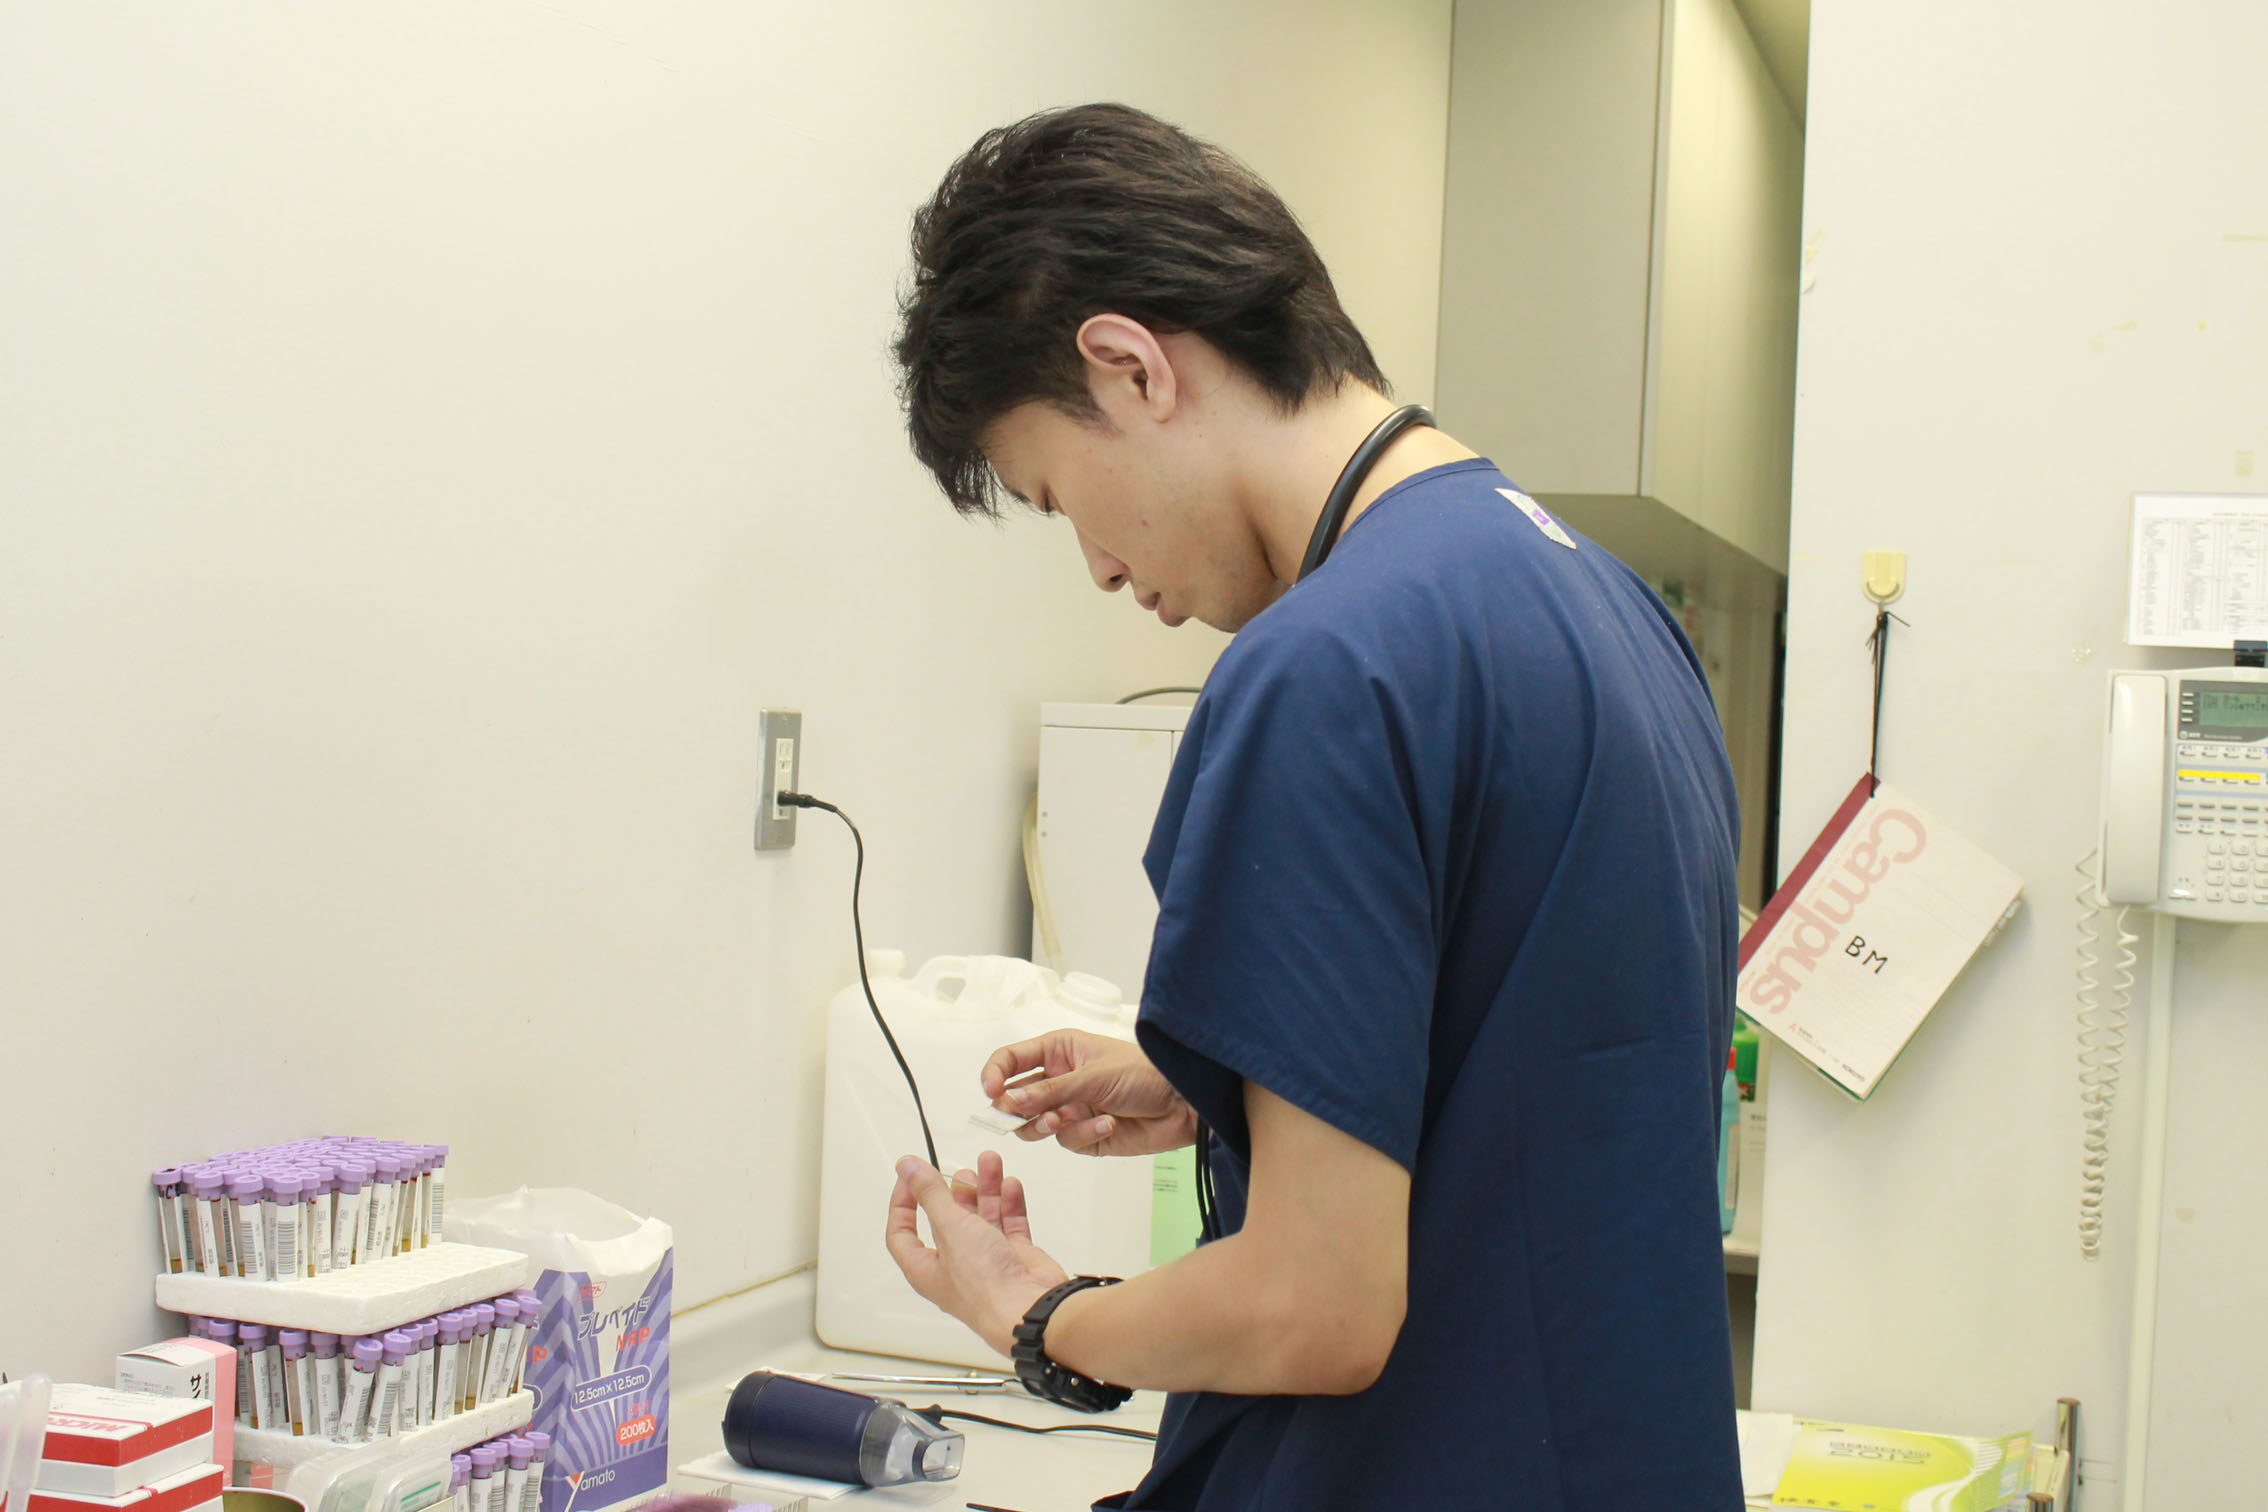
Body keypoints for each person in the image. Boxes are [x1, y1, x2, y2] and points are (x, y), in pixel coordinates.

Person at [880, 102, 1744, 1511]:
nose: (1100, 568)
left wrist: (1036, 1313)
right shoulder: (1605, 603)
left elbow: (1315, 1309)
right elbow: (1549, 1062)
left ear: (1130, 366)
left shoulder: (1324, 667)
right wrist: (1226, 1087)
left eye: (1058, 495)